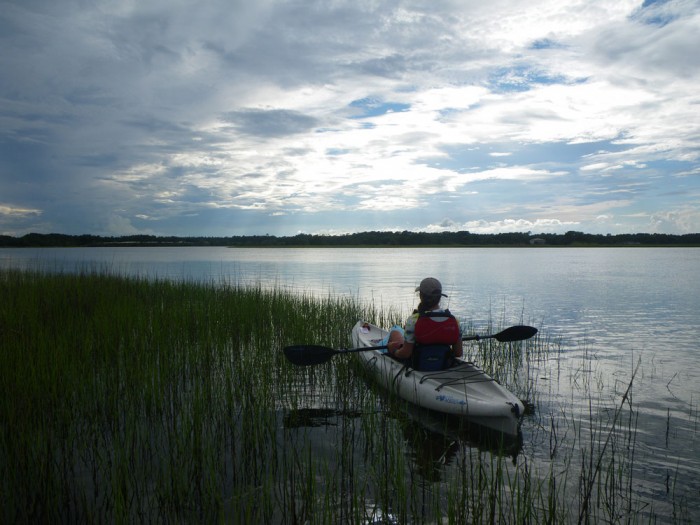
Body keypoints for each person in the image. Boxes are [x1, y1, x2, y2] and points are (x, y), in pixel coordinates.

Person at [388, 277, 463, 371]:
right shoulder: (454, 320)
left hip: (418, 366)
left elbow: (406, 354)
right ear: (439, 298)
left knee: (395, 331)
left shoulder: (413, 320)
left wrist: (394, 351)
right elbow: (458, 353)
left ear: (421, 296)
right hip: (443, 366)